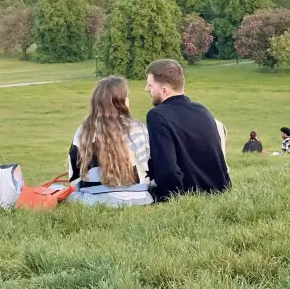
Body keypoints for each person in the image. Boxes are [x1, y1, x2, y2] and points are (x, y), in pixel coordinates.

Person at [145, 59, 231, 202]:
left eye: (150, 85)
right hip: (218, 190)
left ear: (164, 90)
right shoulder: (202, 110)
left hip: (185, 195)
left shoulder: (157, 116)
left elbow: (167, 167)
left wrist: (169, 198)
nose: (147, 89)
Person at [68, 76, 153, 206]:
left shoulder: (84, 130)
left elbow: (74, 177)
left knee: (63, 193)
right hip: (140, 197)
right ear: (121, 101)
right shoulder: (140, 129)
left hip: (95, 200)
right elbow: (149, 166)